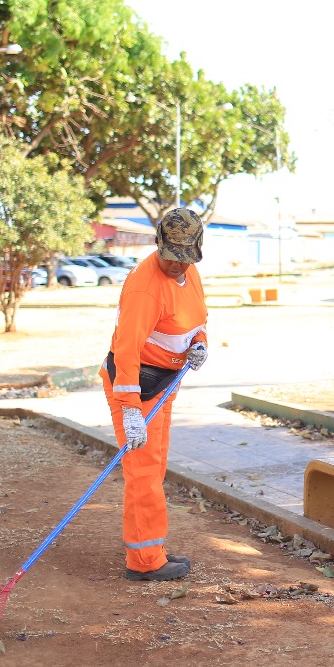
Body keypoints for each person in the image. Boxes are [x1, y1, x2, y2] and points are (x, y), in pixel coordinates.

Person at [100, 208, 210, 582]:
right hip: (136, 388)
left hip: (163, 385)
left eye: (186, 258)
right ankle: (144, 562)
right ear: (159, 244)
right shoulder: (143, 289)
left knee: (154, 469)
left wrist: (199, 342)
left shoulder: (189, 272)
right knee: (143, 472)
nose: (178, 266)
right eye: (172, 257)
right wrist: (129, 409)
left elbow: (197, 319)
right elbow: (126, 351)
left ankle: (151, 547)